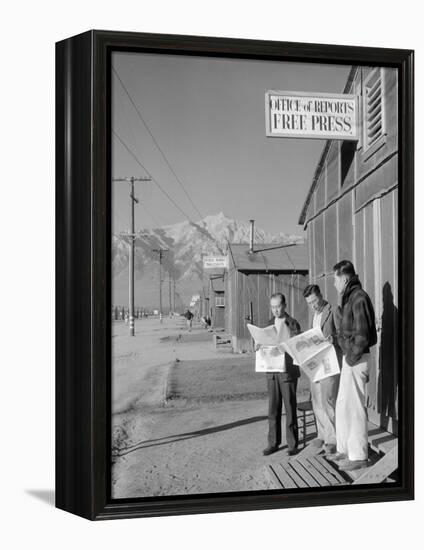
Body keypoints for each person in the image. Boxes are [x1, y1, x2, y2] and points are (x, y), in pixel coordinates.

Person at [329, 260, 377, 471]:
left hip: (356, 360)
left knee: (355, 407)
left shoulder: (359, 298)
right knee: (342, 405)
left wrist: (350, 357)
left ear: (345, 278)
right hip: (350, 358)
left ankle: (358, 456)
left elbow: (363, 335)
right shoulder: (350, 298)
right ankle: (344, 449)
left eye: (335, 279)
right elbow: (348, 329)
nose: (334, 284)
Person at [259, 293, 301, 456]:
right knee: (273, 409)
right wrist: (258, 345)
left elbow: (298, 345)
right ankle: (273, 443)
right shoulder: (269, 324)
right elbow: (264, 343)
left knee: (290, 408)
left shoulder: (292, 323)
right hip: (272, 372)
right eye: (273, 307)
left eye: (278, 306)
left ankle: (292, 444)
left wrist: (288, 346)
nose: (275, 310)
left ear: (284, 306)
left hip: (287, 372)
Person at [303, 284, 341, 454]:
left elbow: (344, 333)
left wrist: (335, 338)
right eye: (309, 303)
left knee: (328, 401)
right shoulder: (314, 315)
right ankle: (322, 434)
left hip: (329, 363)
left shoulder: (333, 310)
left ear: (321, 295)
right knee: (316, 401)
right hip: (315, 364)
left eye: (315, 301)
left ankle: (333, 438)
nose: (313, 306)